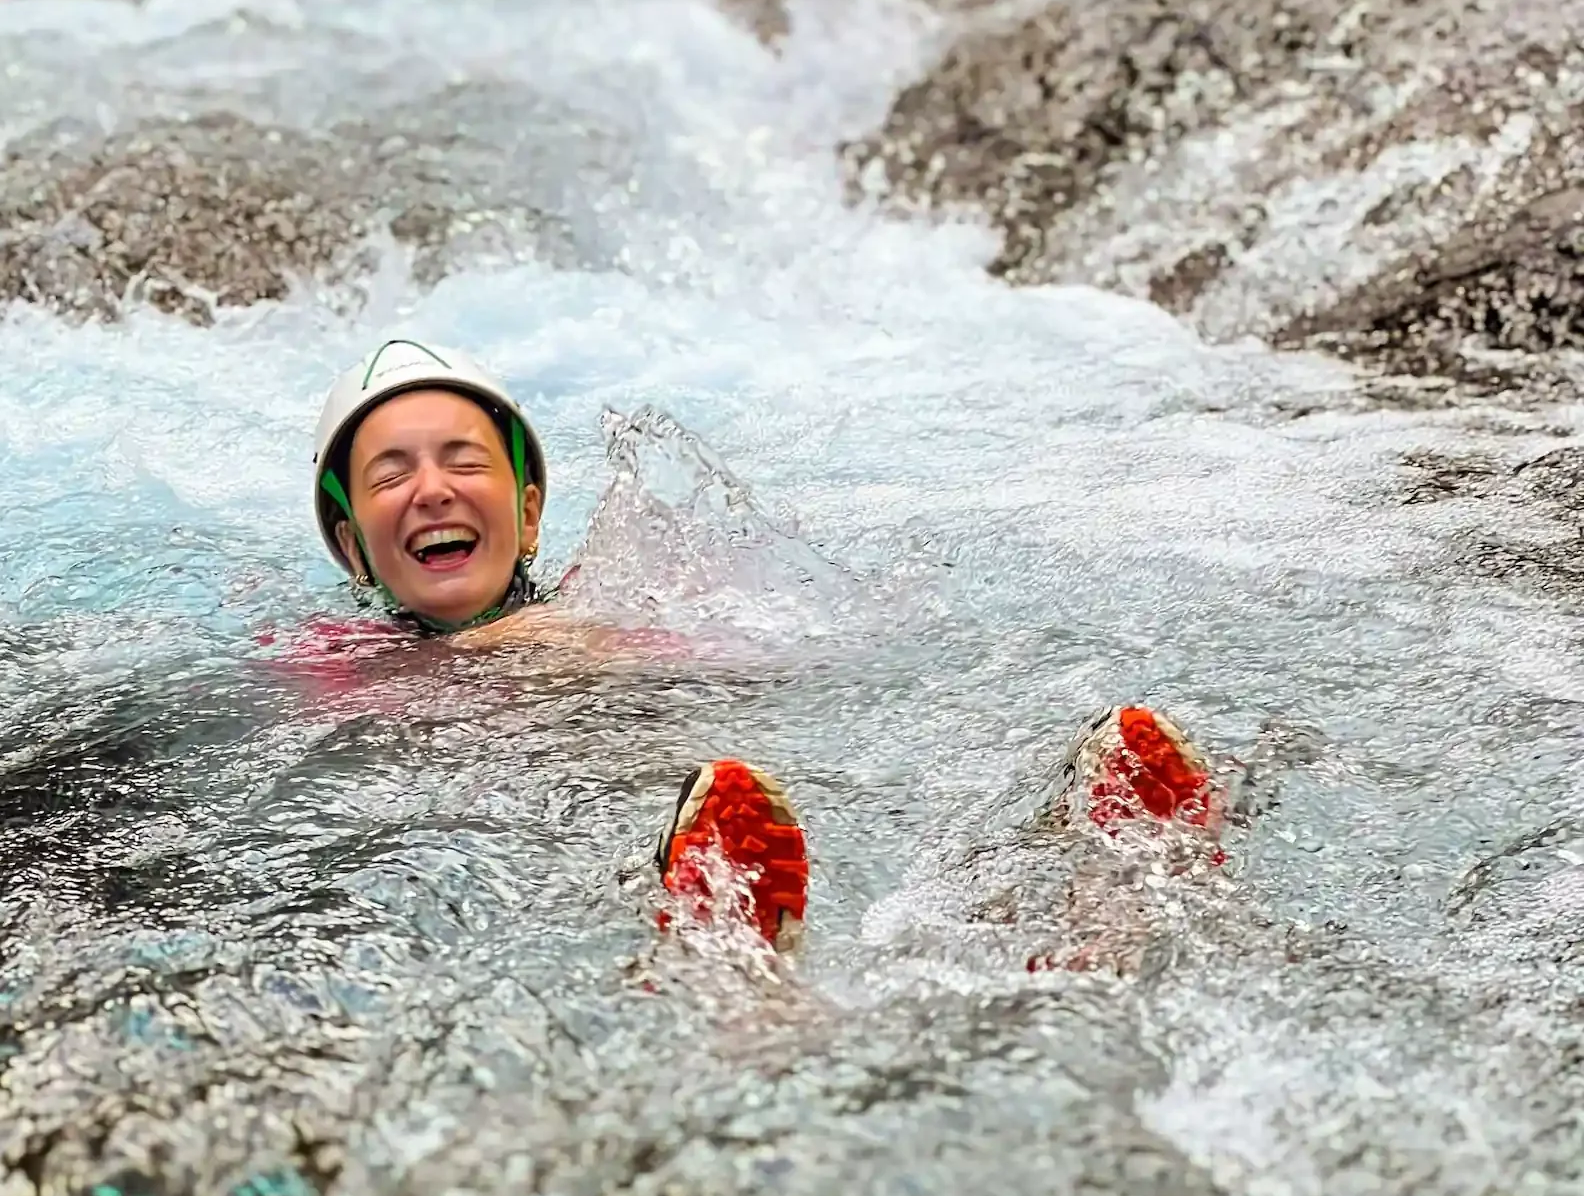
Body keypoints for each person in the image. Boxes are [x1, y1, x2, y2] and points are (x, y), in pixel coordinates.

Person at [308, 336, 1221, 950]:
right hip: (551, 879)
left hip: (706, 811)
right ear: (353, 545)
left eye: (465, 461)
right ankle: (721, 943)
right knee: (642, 881)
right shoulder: (330, 667)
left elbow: (814, 668)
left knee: (835, 823)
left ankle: (1100, 897)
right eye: (391, 475)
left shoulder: (618, 611)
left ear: (531, 513)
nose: (431, 488)